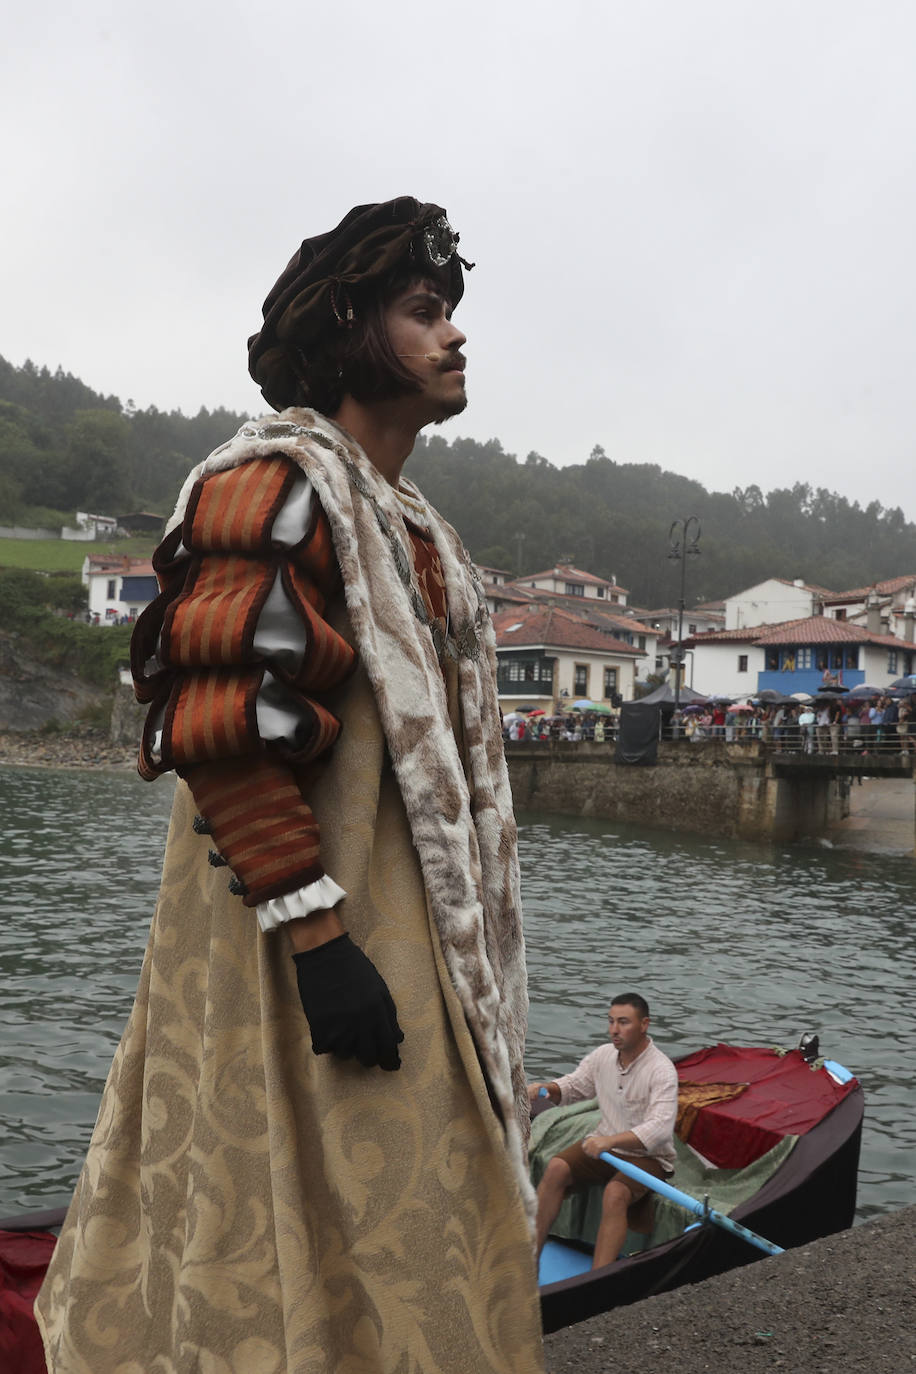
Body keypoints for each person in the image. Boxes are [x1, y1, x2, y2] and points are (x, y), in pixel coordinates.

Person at [36, 199, 544, 1374]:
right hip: (307, 929)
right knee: (348, 1193)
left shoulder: (413, 521)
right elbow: (220, 725)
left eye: (452, 313)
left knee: (407, 1200)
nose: (454, 337)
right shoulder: (272, 482)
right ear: (349, 324)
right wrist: (321, 944)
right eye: (425, 313)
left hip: (406, 920)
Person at [528, 994, 678, 1271]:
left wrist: (610, 1141)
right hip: (604, 1148)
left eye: (623, 1022)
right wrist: (547, 1088)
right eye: (611, 1022)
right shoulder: (603, 1056)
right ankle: (530, 1263)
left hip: (648, 1157)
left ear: (644, 1024)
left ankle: (596, 1278)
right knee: (557, 1168)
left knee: (615, 1193)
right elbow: (575, 1086)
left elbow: (659, 1128)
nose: (614, 1030)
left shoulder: (661, 1070)